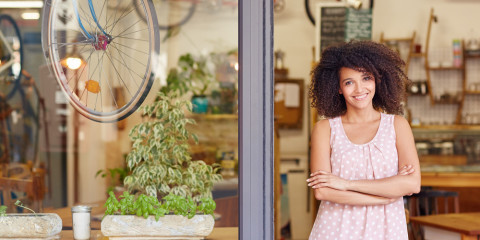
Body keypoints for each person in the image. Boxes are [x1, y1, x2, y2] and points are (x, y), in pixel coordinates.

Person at [307, 40, 421, 240]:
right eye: (349, 82)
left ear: (377, 80)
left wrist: (344, 184)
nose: (359, 89)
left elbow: (412, 184)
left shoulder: (397, 125)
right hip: (335, 230)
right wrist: (385, 196)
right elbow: (323, 192)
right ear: (339, 88)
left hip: (387, 230)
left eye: (366, 78)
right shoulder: (324, 129)